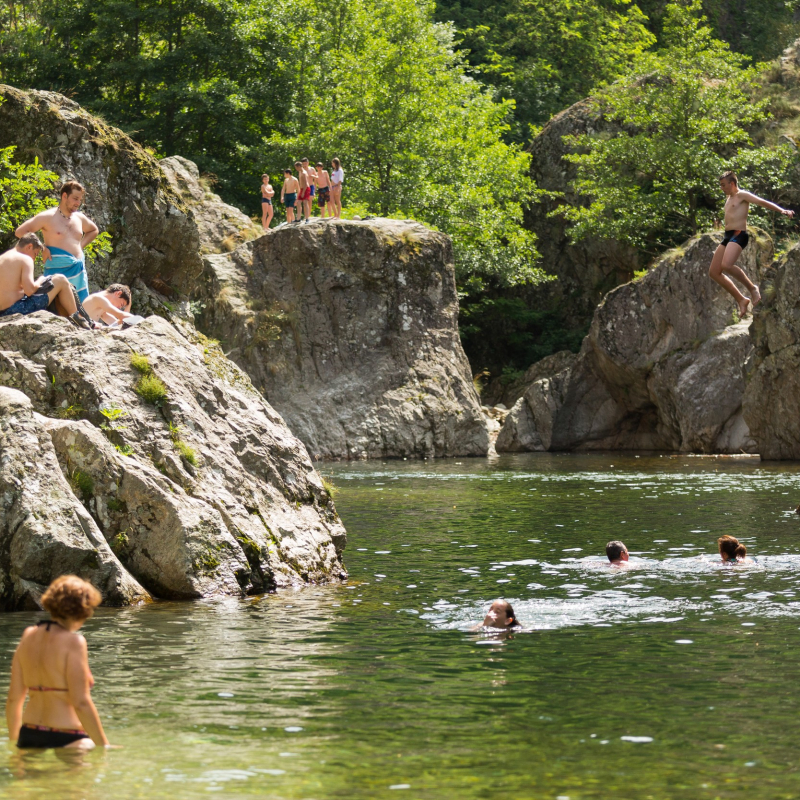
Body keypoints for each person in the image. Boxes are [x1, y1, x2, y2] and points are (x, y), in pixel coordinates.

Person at [5, 575, 114, 749]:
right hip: (68, 735)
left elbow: (13, 700)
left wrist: (15, 742)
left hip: (29, 732)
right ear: (83, 609)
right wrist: (104, 745)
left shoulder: (28, 636)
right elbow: (81, 702)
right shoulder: (74, 642)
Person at [710, 171, 795, 318]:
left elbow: (761, 202)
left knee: (726, 265)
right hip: (728, 236)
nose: (721, 188)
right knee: (714, 272)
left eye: (723, 185)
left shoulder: (742, 195)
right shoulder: (728, 198)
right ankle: (741, 300)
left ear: (732, 183)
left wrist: (782, 210)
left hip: (739, 234)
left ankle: (752, 288)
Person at [15, 181, 99, 303]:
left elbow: (93, 230)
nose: (78, 203)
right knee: (57, 307)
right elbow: (20, 231)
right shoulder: (48, 217)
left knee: (81, 307)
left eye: (80, 200)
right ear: (64, 196)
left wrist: (80, 246)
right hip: (57, 267)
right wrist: (42, 248)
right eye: (75, 199)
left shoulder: (79, 218)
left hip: (78, 270)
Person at [0, 234, 84, 326]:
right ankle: (77, 319)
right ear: (29, 246)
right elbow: (29, 290)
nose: (34, 258)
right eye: (35, 254)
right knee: (60, 279)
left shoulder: (3, 257)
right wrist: (40, 280)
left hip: (3, 312)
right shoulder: (25, 259)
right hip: (17, 309)